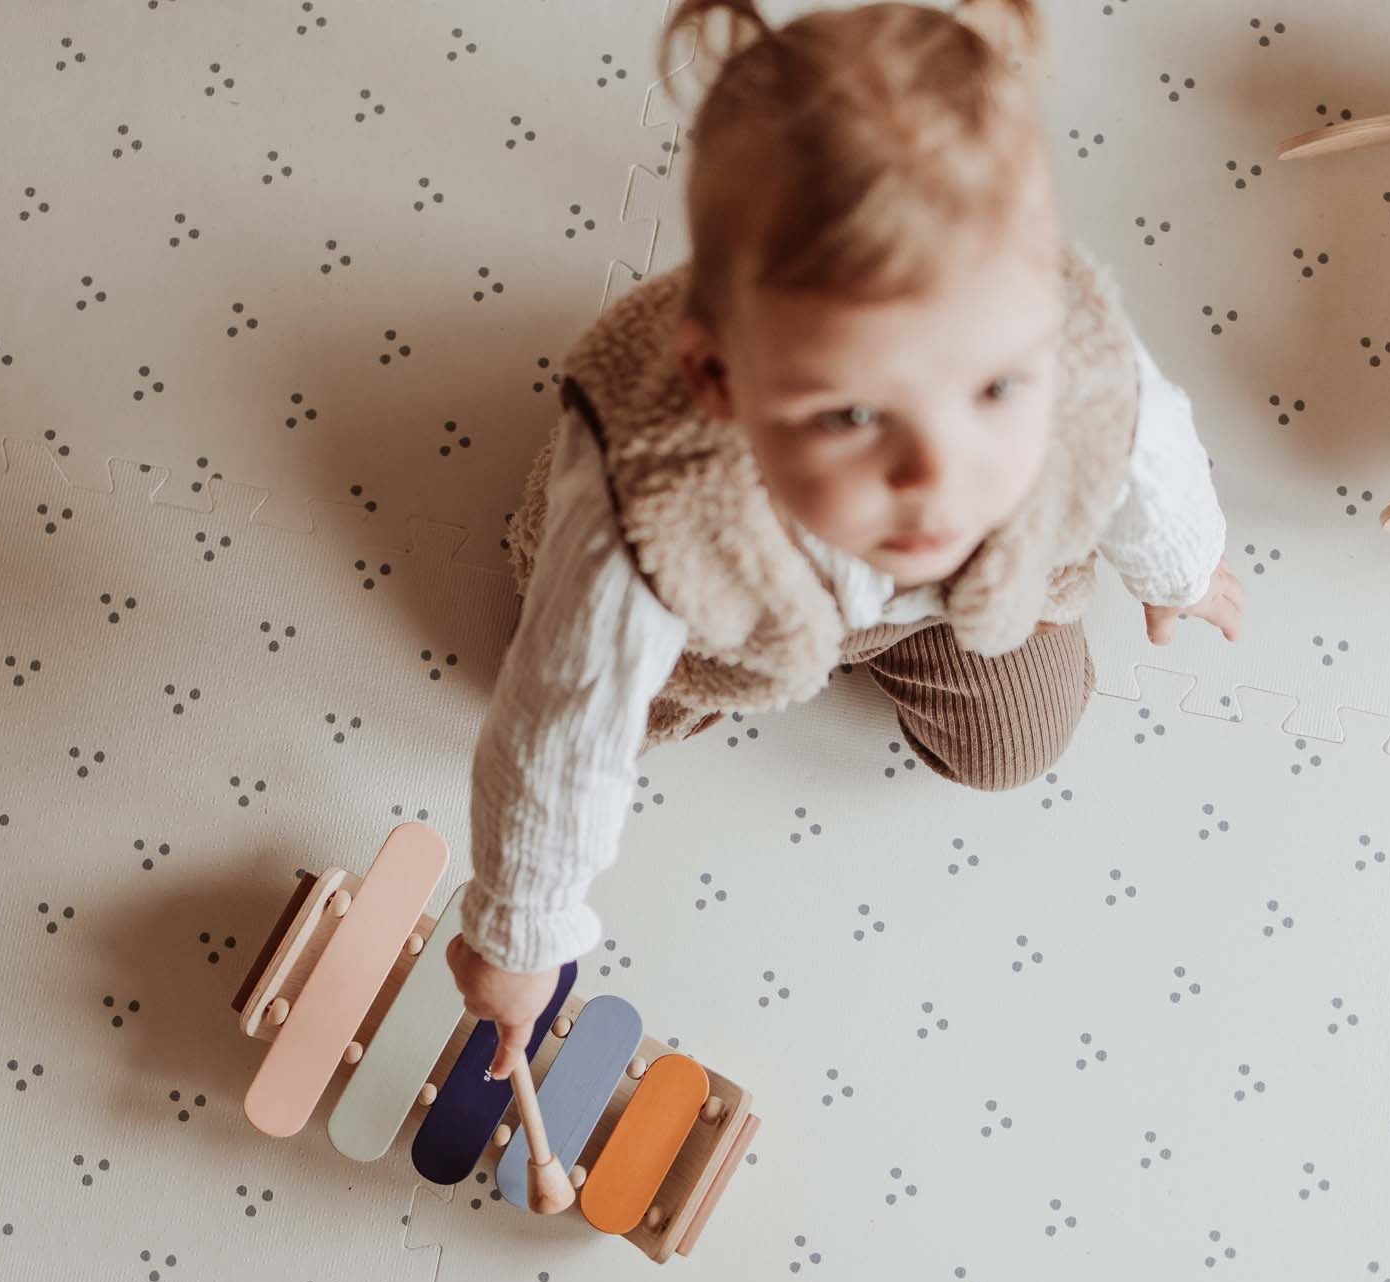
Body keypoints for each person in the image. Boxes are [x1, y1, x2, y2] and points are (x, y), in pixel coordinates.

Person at [448, 0, 1246, 1078]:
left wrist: (1180, 568)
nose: (938, 479)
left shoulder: (1072, 350)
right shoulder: (646, 504)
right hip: (713, 626)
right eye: (852, 416)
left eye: (997, 388)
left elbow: (1146, 446)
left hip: (947, 609)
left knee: (1023, 742)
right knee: (586, 729)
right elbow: (554, 729)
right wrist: (521, 936)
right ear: (721, 379)